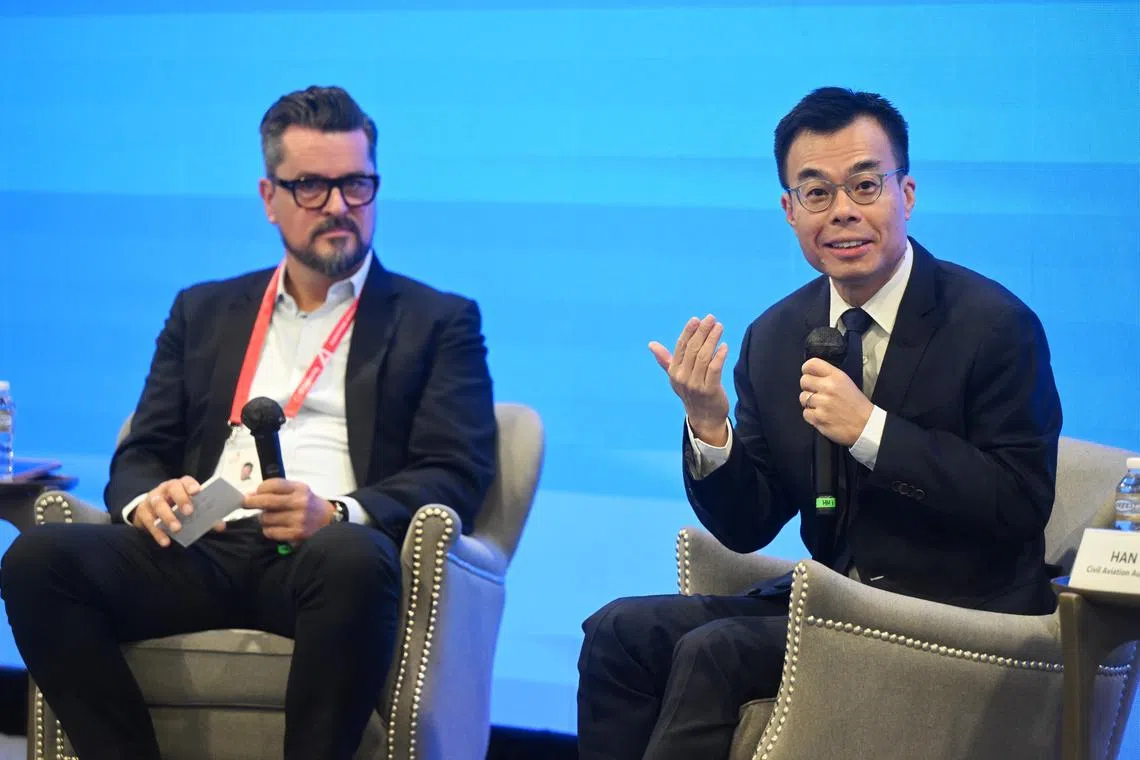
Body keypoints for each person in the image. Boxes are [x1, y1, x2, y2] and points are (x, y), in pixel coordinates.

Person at [1, 85, 496, 760]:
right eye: (312, 188)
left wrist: (340, 512)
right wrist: (152, 500)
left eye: (357, 184)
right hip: (196, 547)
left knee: (353, 559)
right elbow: (141, 451)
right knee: (38, 560)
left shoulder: (437, 321)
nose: (339, 207)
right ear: (269, 197)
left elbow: (455, 471)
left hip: (321, 559)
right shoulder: (203, 310)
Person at [576, 87, 1062, 760]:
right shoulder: (777, 336)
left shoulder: (994, 325)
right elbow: (749, 524)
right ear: (788, 209)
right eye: (817, 193)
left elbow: (1021, 503)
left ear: (907, 193)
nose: (843, 213)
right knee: (620, 630)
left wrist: (871, 431)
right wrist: (709, 426)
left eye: (865, 186)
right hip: (836, 604)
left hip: (960, 619)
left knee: (715, 653)